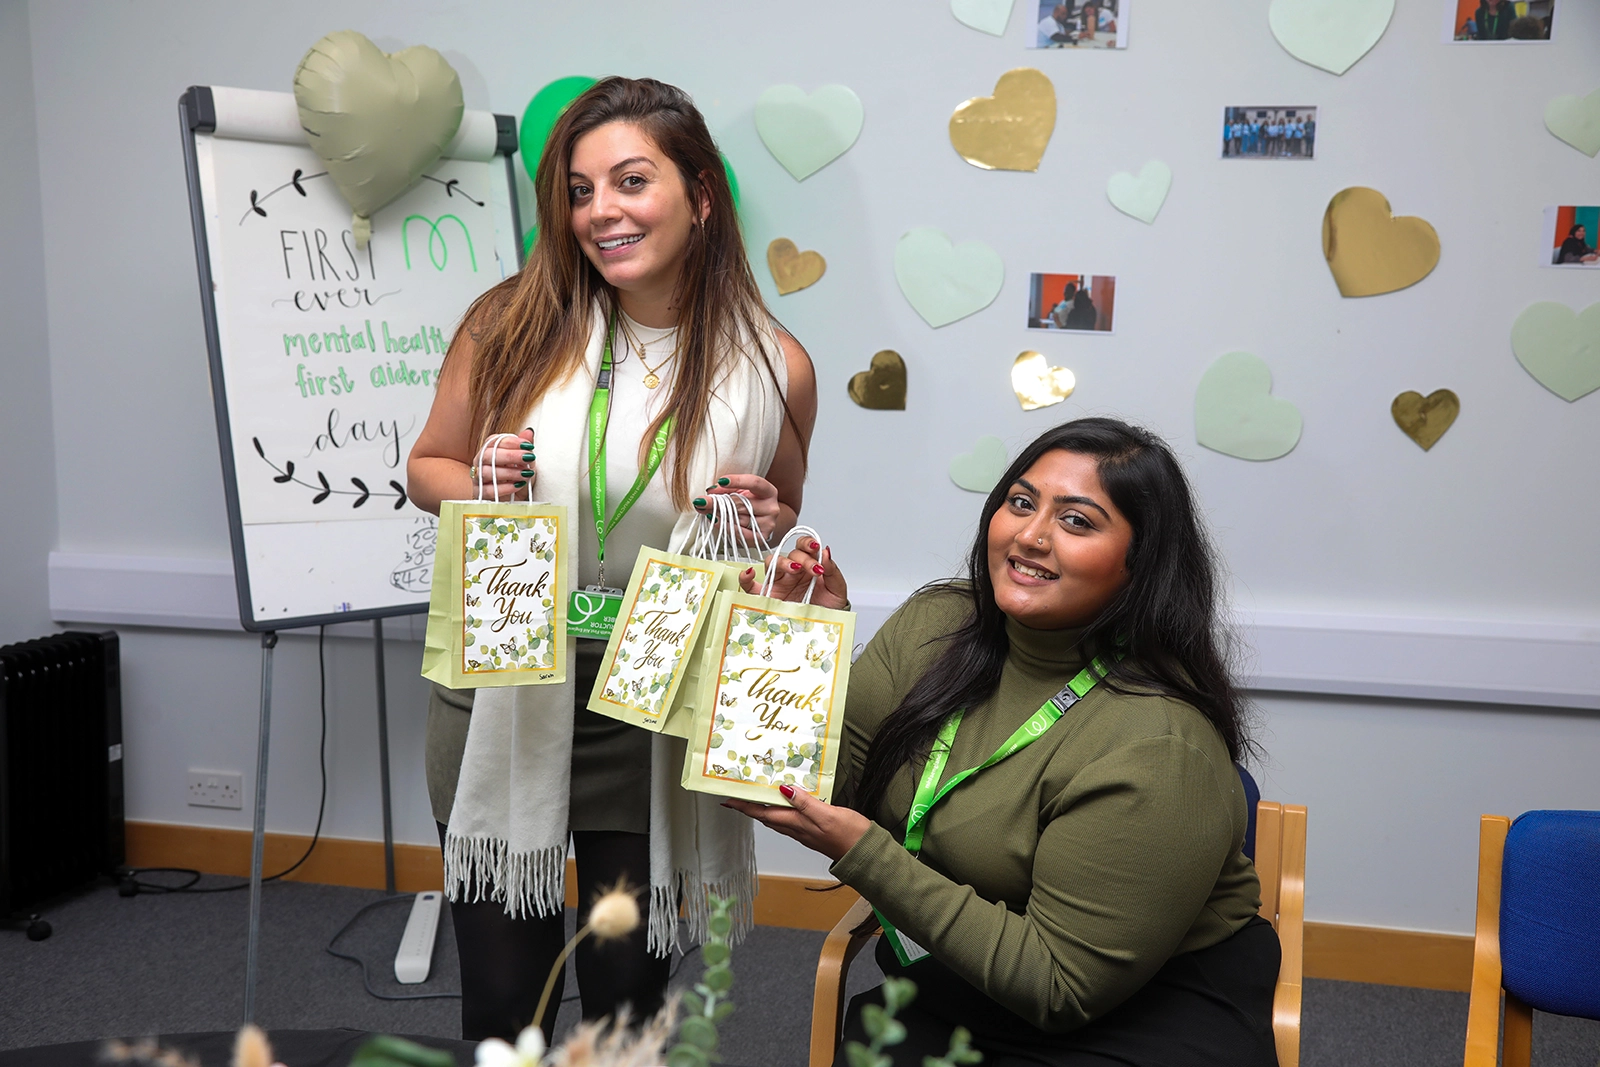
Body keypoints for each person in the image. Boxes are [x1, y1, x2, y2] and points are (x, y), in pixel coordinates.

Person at [405, 76, 817, 1044]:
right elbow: (427, 468)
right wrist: (479, 480)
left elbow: (779, 502)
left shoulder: (772, 363)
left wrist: (763, 511)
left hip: (651, 693)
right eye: (580, 191)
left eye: (630, 181)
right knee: (508, 1007)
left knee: (626, 999)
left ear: (700, 193)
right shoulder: (507, 322)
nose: (601, 211)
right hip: (504, 681)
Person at [728, 418, 1277, 1066]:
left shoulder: (1157, 746)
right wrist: (798, 646)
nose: (1031, 535)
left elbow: (1059, 984)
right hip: (964, 977)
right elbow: (819, 783)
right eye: (1021, 502)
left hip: (1139, 1011)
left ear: (1140, 561)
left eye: (1077, 521)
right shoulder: (937, 622)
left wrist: (869, 854)